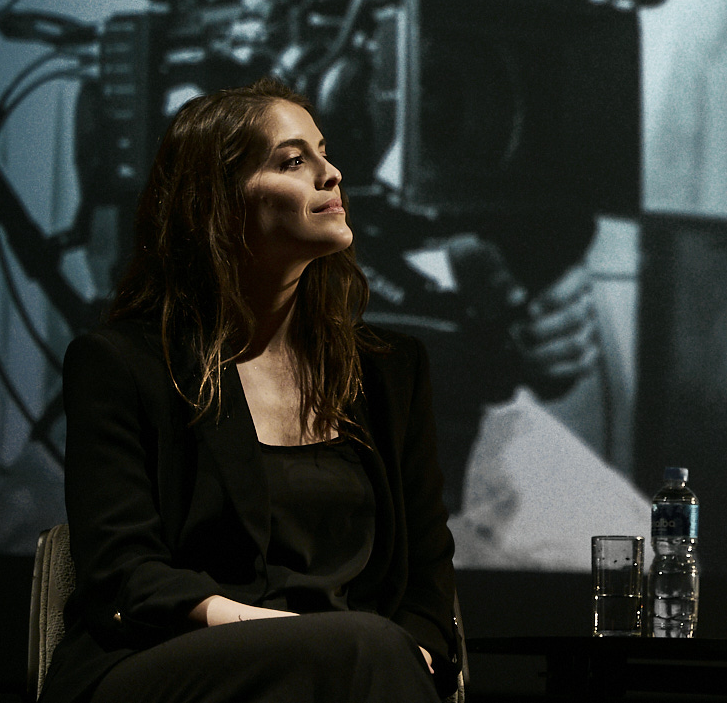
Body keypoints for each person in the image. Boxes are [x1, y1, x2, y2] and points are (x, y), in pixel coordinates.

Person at [39, 78, 460, 703]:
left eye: (325, 152)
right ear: (219, 203)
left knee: (366, 651)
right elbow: (127, 576)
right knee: (360, 647)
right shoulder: (120, 365)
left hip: (357, 670)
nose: (333, 174)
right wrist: (305, 642)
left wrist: (405, 655)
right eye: (295, 161)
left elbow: (427, 578)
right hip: (167, 661)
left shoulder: (391, 371)